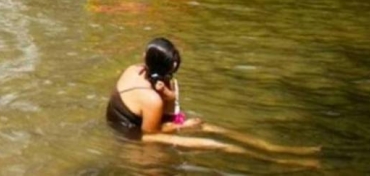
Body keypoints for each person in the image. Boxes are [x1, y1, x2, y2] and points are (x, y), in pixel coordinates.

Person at [107, 38, 320, 159]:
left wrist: (170, 96)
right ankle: (278, 160)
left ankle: (274, 148)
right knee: (214, 144)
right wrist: (185, 124)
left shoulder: (136, 69)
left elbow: (170, 116)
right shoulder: (151, 99)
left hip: (150, 124)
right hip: (135, 136)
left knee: (214, 128)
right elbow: (149, 135)